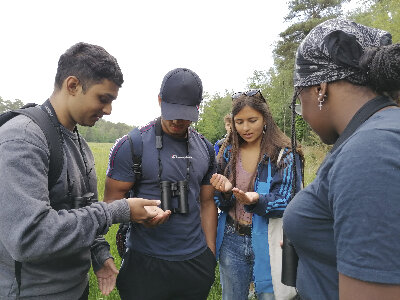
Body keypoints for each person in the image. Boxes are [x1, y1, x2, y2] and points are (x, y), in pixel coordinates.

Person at [0, 42, 164, 300]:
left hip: (76, 289)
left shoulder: (80, 144)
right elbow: (28, 238)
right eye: (103, 98)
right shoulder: (22, 138)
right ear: (73, 85)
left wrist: (99, 255)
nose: (109, 110)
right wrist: (118, 210)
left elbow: (81, 210)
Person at [283, 18, 400, 300]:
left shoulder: (371, 151)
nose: (304, 113)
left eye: (300, 100)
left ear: (320, 89)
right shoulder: (379, 132)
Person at [104, 67, 218, 300]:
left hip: (195, 262)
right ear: (159, 100)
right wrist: (139, 216)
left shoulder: (205, 148)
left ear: (198, 107)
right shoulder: (131, 145)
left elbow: (207, 203)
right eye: (172, 111)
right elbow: (109, 205)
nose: (177, 120)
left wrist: (209, 255)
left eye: (186, 113)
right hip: (145, 262)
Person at [211, 89, 303, 300]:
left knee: (271, 296)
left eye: (252, 120)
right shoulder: (227, 152)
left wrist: (257, 200)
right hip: (231, 240)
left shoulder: (284, 153)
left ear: (265, 118)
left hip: (270, 241)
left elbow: (288, 200)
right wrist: (224, 193)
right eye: (239, 121)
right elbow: (219, 201)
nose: (245, 128)